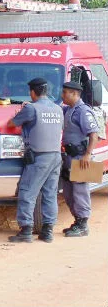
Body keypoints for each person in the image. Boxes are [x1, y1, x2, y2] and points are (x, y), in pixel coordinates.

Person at [7, 78, 63, 243]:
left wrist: (21, 111)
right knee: (50, 194)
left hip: (39, 158)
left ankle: (26, 230)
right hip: (55, 156)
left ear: (33, 92)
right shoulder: (58, 109)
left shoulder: (31, 109)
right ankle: (47, 232)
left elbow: (11, 124)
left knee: (27, 192)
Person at [60, 81, 99, 237]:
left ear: (75, 94)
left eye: (65, 92)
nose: (62, 95)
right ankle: (77, 221)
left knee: (80, 191)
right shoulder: (69, 109)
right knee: (69, 192)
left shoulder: (83, 111)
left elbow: (94, 134)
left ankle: (83, 225)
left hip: (81, 157)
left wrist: (88, 154)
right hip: (69, 157)